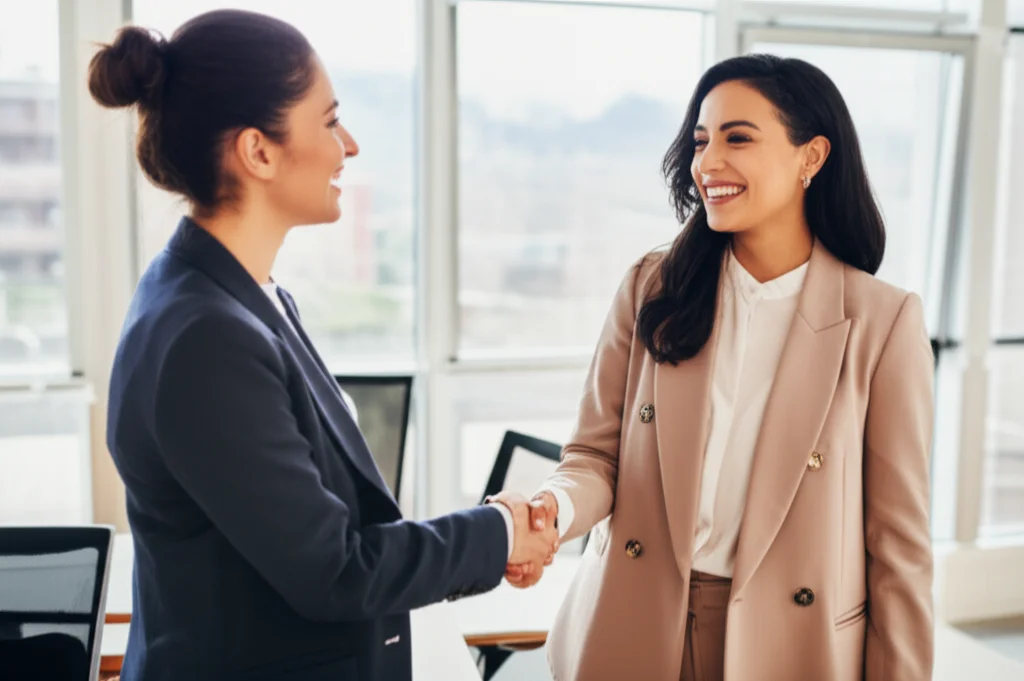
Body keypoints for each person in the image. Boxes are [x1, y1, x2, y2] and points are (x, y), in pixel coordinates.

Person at [92, 10, 557, 681]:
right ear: (258, 151)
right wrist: (501, 531)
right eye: (330, 121)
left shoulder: (237, 296)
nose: (351, 145)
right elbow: (335, 570)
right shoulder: (207, 336)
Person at [493, 54, 935, 681]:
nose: (707, 163)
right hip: (634, 618)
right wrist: (549, 513)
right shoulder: (654, 288)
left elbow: (899, 547)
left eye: (738, 138)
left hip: (788, 644)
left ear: (810, 157)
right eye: (701, 141)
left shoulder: (882, 322)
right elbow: (594, 458)